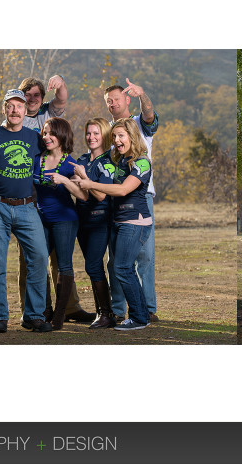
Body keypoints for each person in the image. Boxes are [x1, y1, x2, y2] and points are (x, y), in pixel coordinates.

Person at [15, 75, 94, 323]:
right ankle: (35, 311)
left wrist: (59, 83)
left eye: (36, 95)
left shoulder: (50, 116)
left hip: (62, 215)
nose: (31, 99)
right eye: (26, 95)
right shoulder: (14, 119)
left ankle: (66, 310)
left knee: (61, 262)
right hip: (33, 211)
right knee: (31, 261)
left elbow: (61, 98)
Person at [0, 89, 51, 333]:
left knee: (38, 257)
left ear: (25, 109)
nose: (15, 110)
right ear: (4, 108)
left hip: (27, 206)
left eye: (20, 105)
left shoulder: (34, 137)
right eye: (11, 106)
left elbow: (49, 159)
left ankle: (33, 315)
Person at [75, 118, 153, 331]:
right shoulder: (119, 161)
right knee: (123, 268)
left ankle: (138, 318)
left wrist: (89, 183)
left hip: (135, 221)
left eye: (121, 136)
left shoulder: (142, 162)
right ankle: (141, 316)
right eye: (115, 136)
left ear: (132, 137)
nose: (117, 140)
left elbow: (122, 190)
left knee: (122, 268)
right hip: (118, 221)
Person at [104, 79, 160, 322]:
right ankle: (118, 309)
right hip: (114, 197)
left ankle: (147, 308)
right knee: (116, 256)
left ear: (127, 99)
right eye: (108, 101)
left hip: (141, 195)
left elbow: (150, 115)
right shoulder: (108, 130)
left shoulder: (139, 124)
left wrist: (143, 94)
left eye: (116, 98)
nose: (113, 103)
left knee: (145, 255)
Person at [33, 117, 83, 330]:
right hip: (40, 219)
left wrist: (64, 180)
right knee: (38, 262)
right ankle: (45, 311)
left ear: (62, 135)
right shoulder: (37, 159)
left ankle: (59, 316)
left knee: (64, 265)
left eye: (51, 133)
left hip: (65, 219)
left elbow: (83, 195)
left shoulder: (71, 163)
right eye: (44, 133)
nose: (47, 137)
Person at [71, 118, 116, 329]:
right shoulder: (81, 158)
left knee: (93, 265)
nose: (91, 137)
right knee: (93, 268)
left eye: (96, 133)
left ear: (105, 135)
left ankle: (107, 313)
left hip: (100, 220)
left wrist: (83, 176)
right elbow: (81, 193)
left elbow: (100, 196)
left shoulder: (108, 162)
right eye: (89, 133)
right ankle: (101, 313)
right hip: (82, 221)